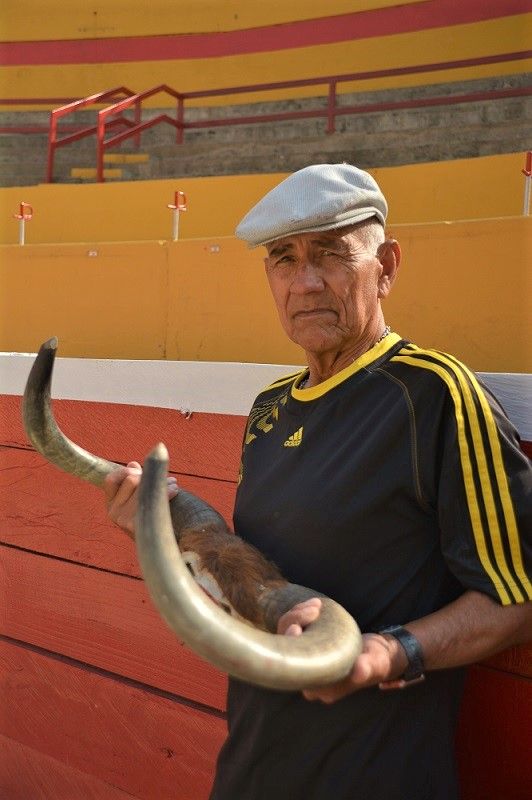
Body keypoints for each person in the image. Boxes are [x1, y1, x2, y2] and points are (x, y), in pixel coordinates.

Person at [104, 164, 532, 800]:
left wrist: (390, 654)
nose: (304, 282)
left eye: (331, 254)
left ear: (386, 265)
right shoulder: (269, 408)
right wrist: (159, 528)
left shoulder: (437, 397)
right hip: (251, 770)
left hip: (376, 777)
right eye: (284, 259)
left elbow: (517, 600)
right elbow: (252, 586)